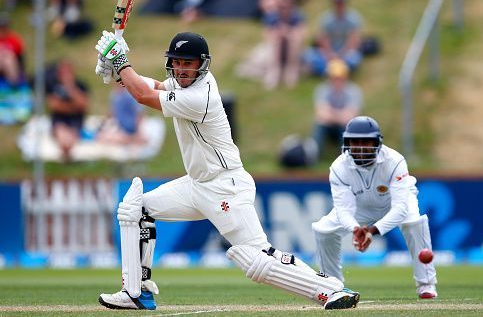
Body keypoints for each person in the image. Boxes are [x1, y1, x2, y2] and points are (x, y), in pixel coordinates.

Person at [93, 30, 360, 310]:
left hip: (225, 186)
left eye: (188, 63)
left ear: (202, 64)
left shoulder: (200, 96)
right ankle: (135, 292)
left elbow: (144, 95)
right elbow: (156, 86)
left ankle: (329, 290)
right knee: (136, 209)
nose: (182, 69)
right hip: (196, 185)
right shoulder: (182, 85)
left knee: (255, 258)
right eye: (177, 62)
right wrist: (118, 72)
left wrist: (121, 61)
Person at [311, 116, 438, 299]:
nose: (361, 147)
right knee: (323, 230)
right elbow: (343, 209)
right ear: (347, 143)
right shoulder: (339, 167)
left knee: (413, 222)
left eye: (366, 141)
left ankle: (426, 284)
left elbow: (400, 208)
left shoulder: (394, 161)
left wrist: (372, 231)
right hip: (360, 206)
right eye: (355, 142)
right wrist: (355, 229)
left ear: (377, 142)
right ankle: (333, 287)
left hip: (395, 201)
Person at [302, 0, 363, 76]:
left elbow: (354, 41)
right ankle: (337, 71)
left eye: (341, 3)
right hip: (328, 53)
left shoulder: (353, 18)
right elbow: (322, 39)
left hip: (346, 53)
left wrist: (341, 54)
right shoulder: (326, 19)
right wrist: (330, 54)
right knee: (308, 54)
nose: (339, 6)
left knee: (354, 58)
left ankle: (328, 71)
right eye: (337, 3)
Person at [311, 59, 362, 157]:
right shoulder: (322, 90)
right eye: (334, 77)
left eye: (340, 77)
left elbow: (351, 116)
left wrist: (331, 113)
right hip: (328, 125)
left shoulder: (354, 91)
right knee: (319, 126)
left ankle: (346, 156)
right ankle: (314, 155)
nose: (337, 80)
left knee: (347, 128)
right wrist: (340, 115)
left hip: (343, 126)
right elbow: (321, 114)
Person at [45, 59, 89, 161]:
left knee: (72, 135)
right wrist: (73, 108)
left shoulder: (80, 85)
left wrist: (71, 88)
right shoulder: (53, 85)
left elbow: (83, 104)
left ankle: (68, 152)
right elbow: (54, 105)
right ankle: (65, 150)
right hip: (59, 120)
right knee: (61, 133)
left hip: (76, 121)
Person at [262, 0, 306, 89]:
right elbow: (267, 34)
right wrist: (279, 33)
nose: (284, 10)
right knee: (276, 39)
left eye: (286, 7)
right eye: (281, 7)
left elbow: (301, 33)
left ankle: (291, 70)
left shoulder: (297, 16)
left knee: (294, 40)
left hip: (291, 49)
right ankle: (274, 72)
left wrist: (287, 33)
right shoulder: (273, 17)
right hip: (276, 49)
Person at [0, 12, 26, 87]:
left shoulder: (14, 39)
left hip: (11, 66)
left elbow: (21, 57)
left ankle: (14, 83)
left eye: (4, 26)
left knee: (8, 57)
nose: (3, 29)